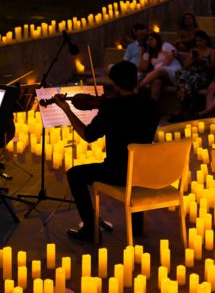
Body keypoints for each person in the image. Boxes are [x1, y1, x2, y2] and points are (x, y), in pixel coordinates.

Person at [53, 61, 160, 240]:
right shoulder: (152, 105)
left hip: (117, 172)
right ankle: (137, 227)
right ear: (135, 80)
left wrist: (67, 110)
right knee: (131, 162)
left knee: (75, 174)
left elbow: (88, 135)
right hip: (144, 171)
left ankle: (90, 228)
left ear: (116, 85)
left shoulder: (112, 108)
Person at [172, 30, 215, 121]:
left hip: (204, 76)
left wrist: (203, 60)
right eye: (196, 41)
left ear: (205, 40)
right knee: (179, 73)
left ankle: (181, 111)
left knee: (184, 84)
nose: (198, 43)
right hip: (190, 74)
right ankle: (188, 110)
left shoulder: (211, 51)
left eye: (200, 40)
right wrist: (193, 60)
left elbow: (213, 68)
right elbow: (185, 67)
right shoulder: (193, 51)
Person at [138, 32, 182, 101]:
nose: (150, 41)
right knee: (157, 81)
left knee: (160, 70)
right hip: (160, 75)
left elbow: (168, 60)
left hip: (173, 71)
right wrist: (143, 53)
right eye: (148, 40)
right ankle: (154, 105)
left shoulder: (165, 45)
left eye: (151, 39)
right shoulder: (149, 53)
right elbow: (143, 68)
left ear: (157, 38)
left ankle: (138, 87)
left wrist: (156, 71)